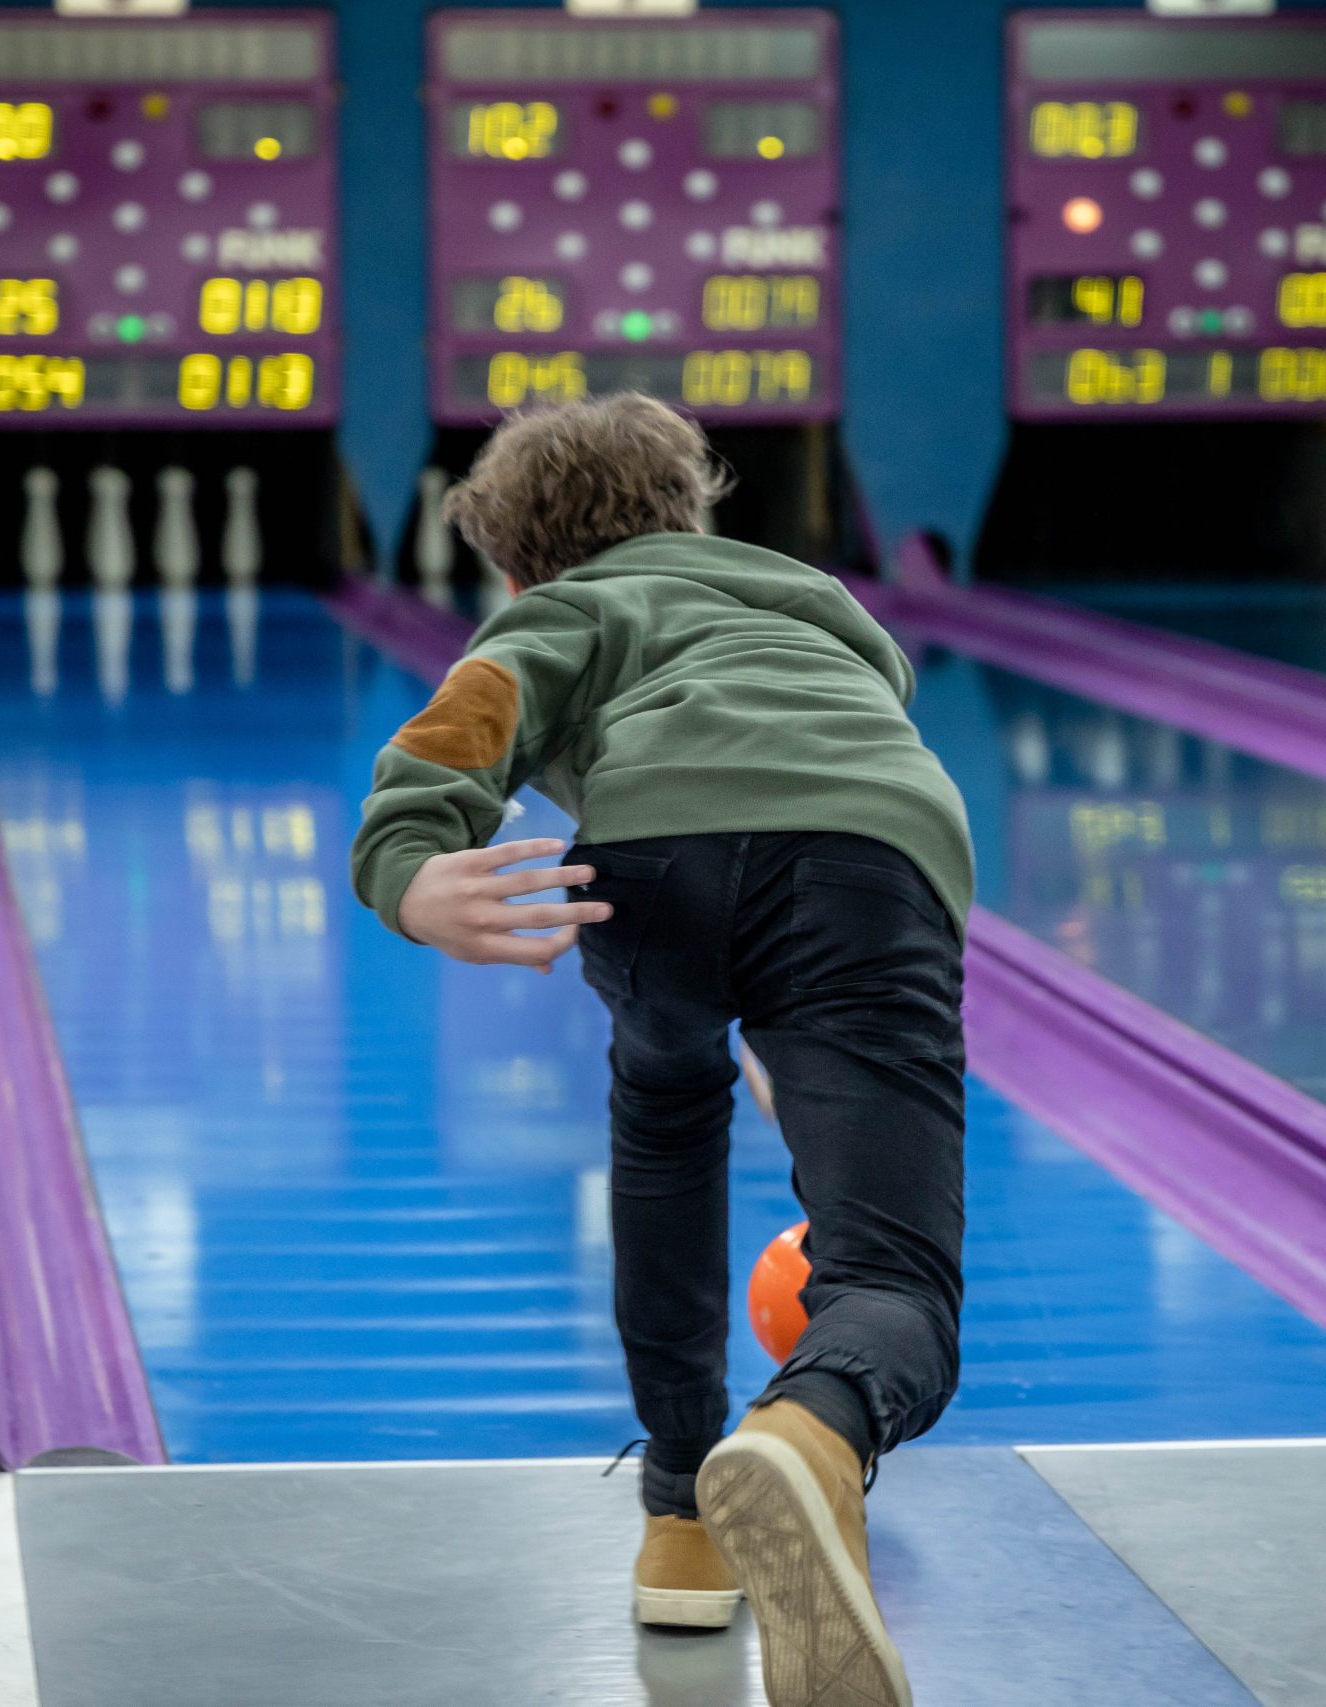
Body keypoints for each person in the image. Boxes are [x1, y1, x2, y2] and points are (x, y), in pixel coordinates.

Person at [350, 394, 970, 1707]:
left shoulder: (561, 610)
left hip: (653, 863)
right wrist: (802, 1023)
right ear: (692, 515)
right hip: (871, 853)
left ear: (517, 573)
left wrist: (407, 864)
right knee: (893, 1278)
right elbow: (853, 726)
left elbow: (468, 720)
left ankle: (685, 1514)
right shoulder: (811, 601)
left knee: (666, 1102)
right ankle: (811, 1433)